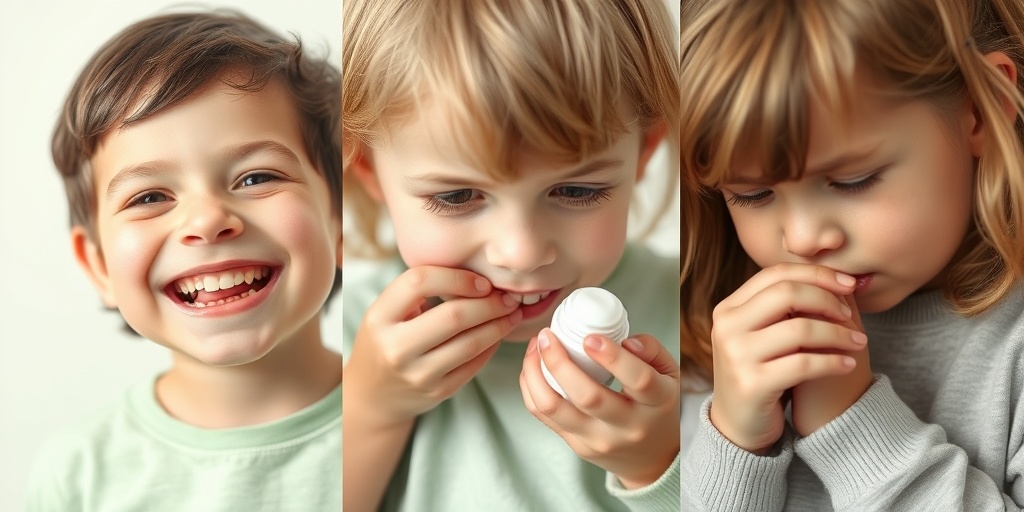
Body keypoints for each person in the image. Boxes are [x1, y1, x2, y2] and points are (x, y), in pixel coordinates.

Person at [679, 0, 1024, 509]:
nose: (801, 239)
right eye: (751, 195)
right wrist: (733, 445)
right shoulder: (722, 338)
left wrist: (854, 426)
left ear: (982, 107)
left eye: (851, 181)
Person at [341, 0, 681, 510]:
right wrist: (372, 409)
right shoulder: (350, 337)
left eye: (576, 191)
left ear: (644, 151)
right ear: (367, 168)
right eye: (457, 197)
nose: (521, 254)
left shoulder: (698, 315)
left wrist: (659, 465)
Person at [27, 10, 343, 511]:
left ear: (340, 221)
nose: (208, 219)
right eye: (149, 197)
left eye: (257, 178)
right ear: (100, 267)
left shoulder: (423, 421)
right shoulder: (78, 476)